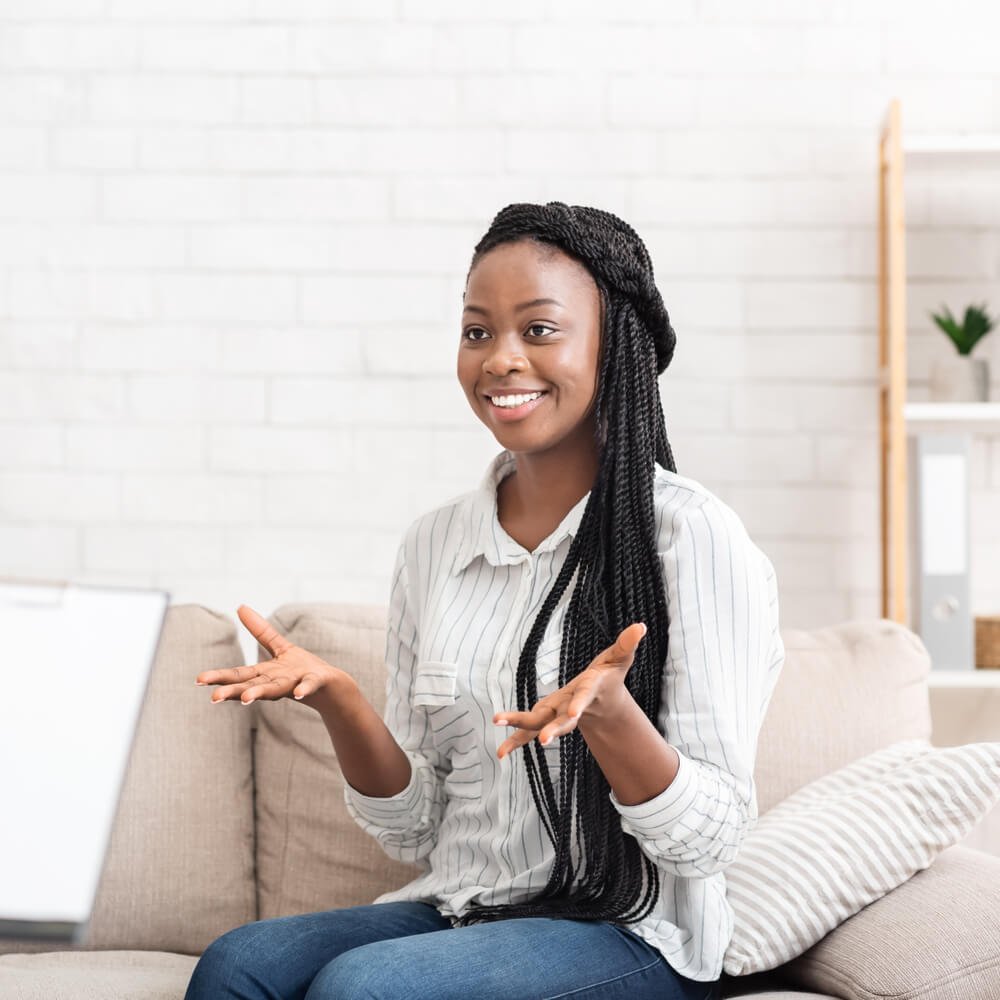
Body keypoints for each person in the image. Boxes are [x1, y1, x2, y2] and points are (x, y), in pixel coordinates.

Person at [183, 201, 785, 1000]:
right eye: (478, 331)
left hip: (632, 931)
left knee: (365, 990)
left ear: (616, 348)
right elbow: (416, 828)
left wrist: (611, 717)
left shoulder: (691, 536)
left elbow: (709, 838)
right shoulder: (433, 545)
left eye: (538, 330)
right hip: (465, 907)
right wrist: (342, 703)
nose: (500, 359)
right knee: (237, 965)